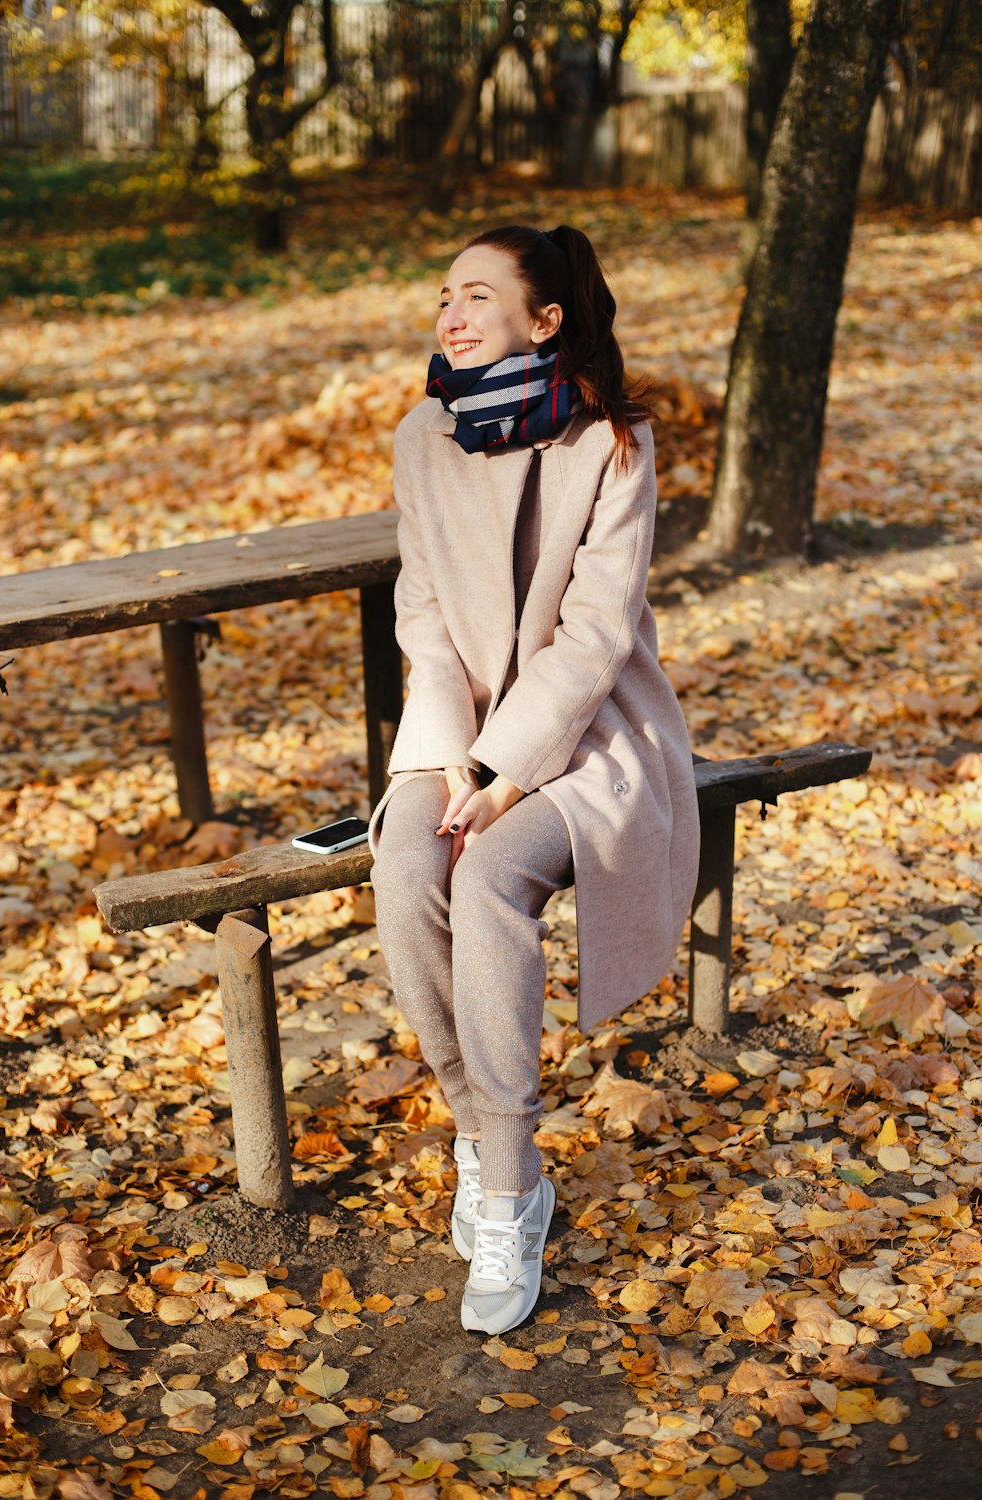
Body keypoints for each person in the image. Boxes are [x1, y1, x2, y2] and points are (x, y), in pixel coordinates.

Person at [368, 224, 700, 1336]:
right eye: (443, 297)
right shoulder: (424, 432)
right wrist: (455, 747)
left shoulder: (609, 444)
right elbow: (421, 605)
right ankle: (484, 1133)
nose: (449, 316)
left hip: (590, 732)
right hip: (453, 719)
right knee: (406, 864)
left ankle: (507, 1192)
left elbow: (595, 636)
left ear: (543, 319)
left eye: (476, 297)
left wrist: (508, 772)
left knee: (488, 874)